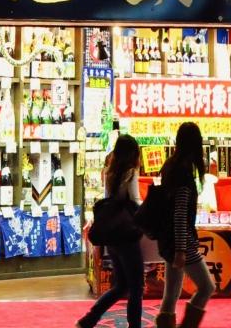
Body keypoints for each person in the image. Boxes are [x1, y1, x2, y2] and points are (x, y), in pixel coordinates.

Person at [78, 134, 144, 328]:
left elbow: (109, 199)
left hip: (113, 235)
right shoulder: (131, 173)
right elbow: (135, 201)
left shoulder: (109, 172)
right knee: (136, 287)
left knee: (121, 285)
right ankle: (134, 325)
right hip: (127, 235)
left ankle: (90, 318)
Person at [155, 121, 215, 328]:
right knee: (206, 287)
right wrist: (181, 249)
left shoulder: (170, 166)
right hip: (181, 241)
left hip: (168, 239)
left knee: (171, 294)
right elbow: (180, 214)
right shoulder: (183, 172)